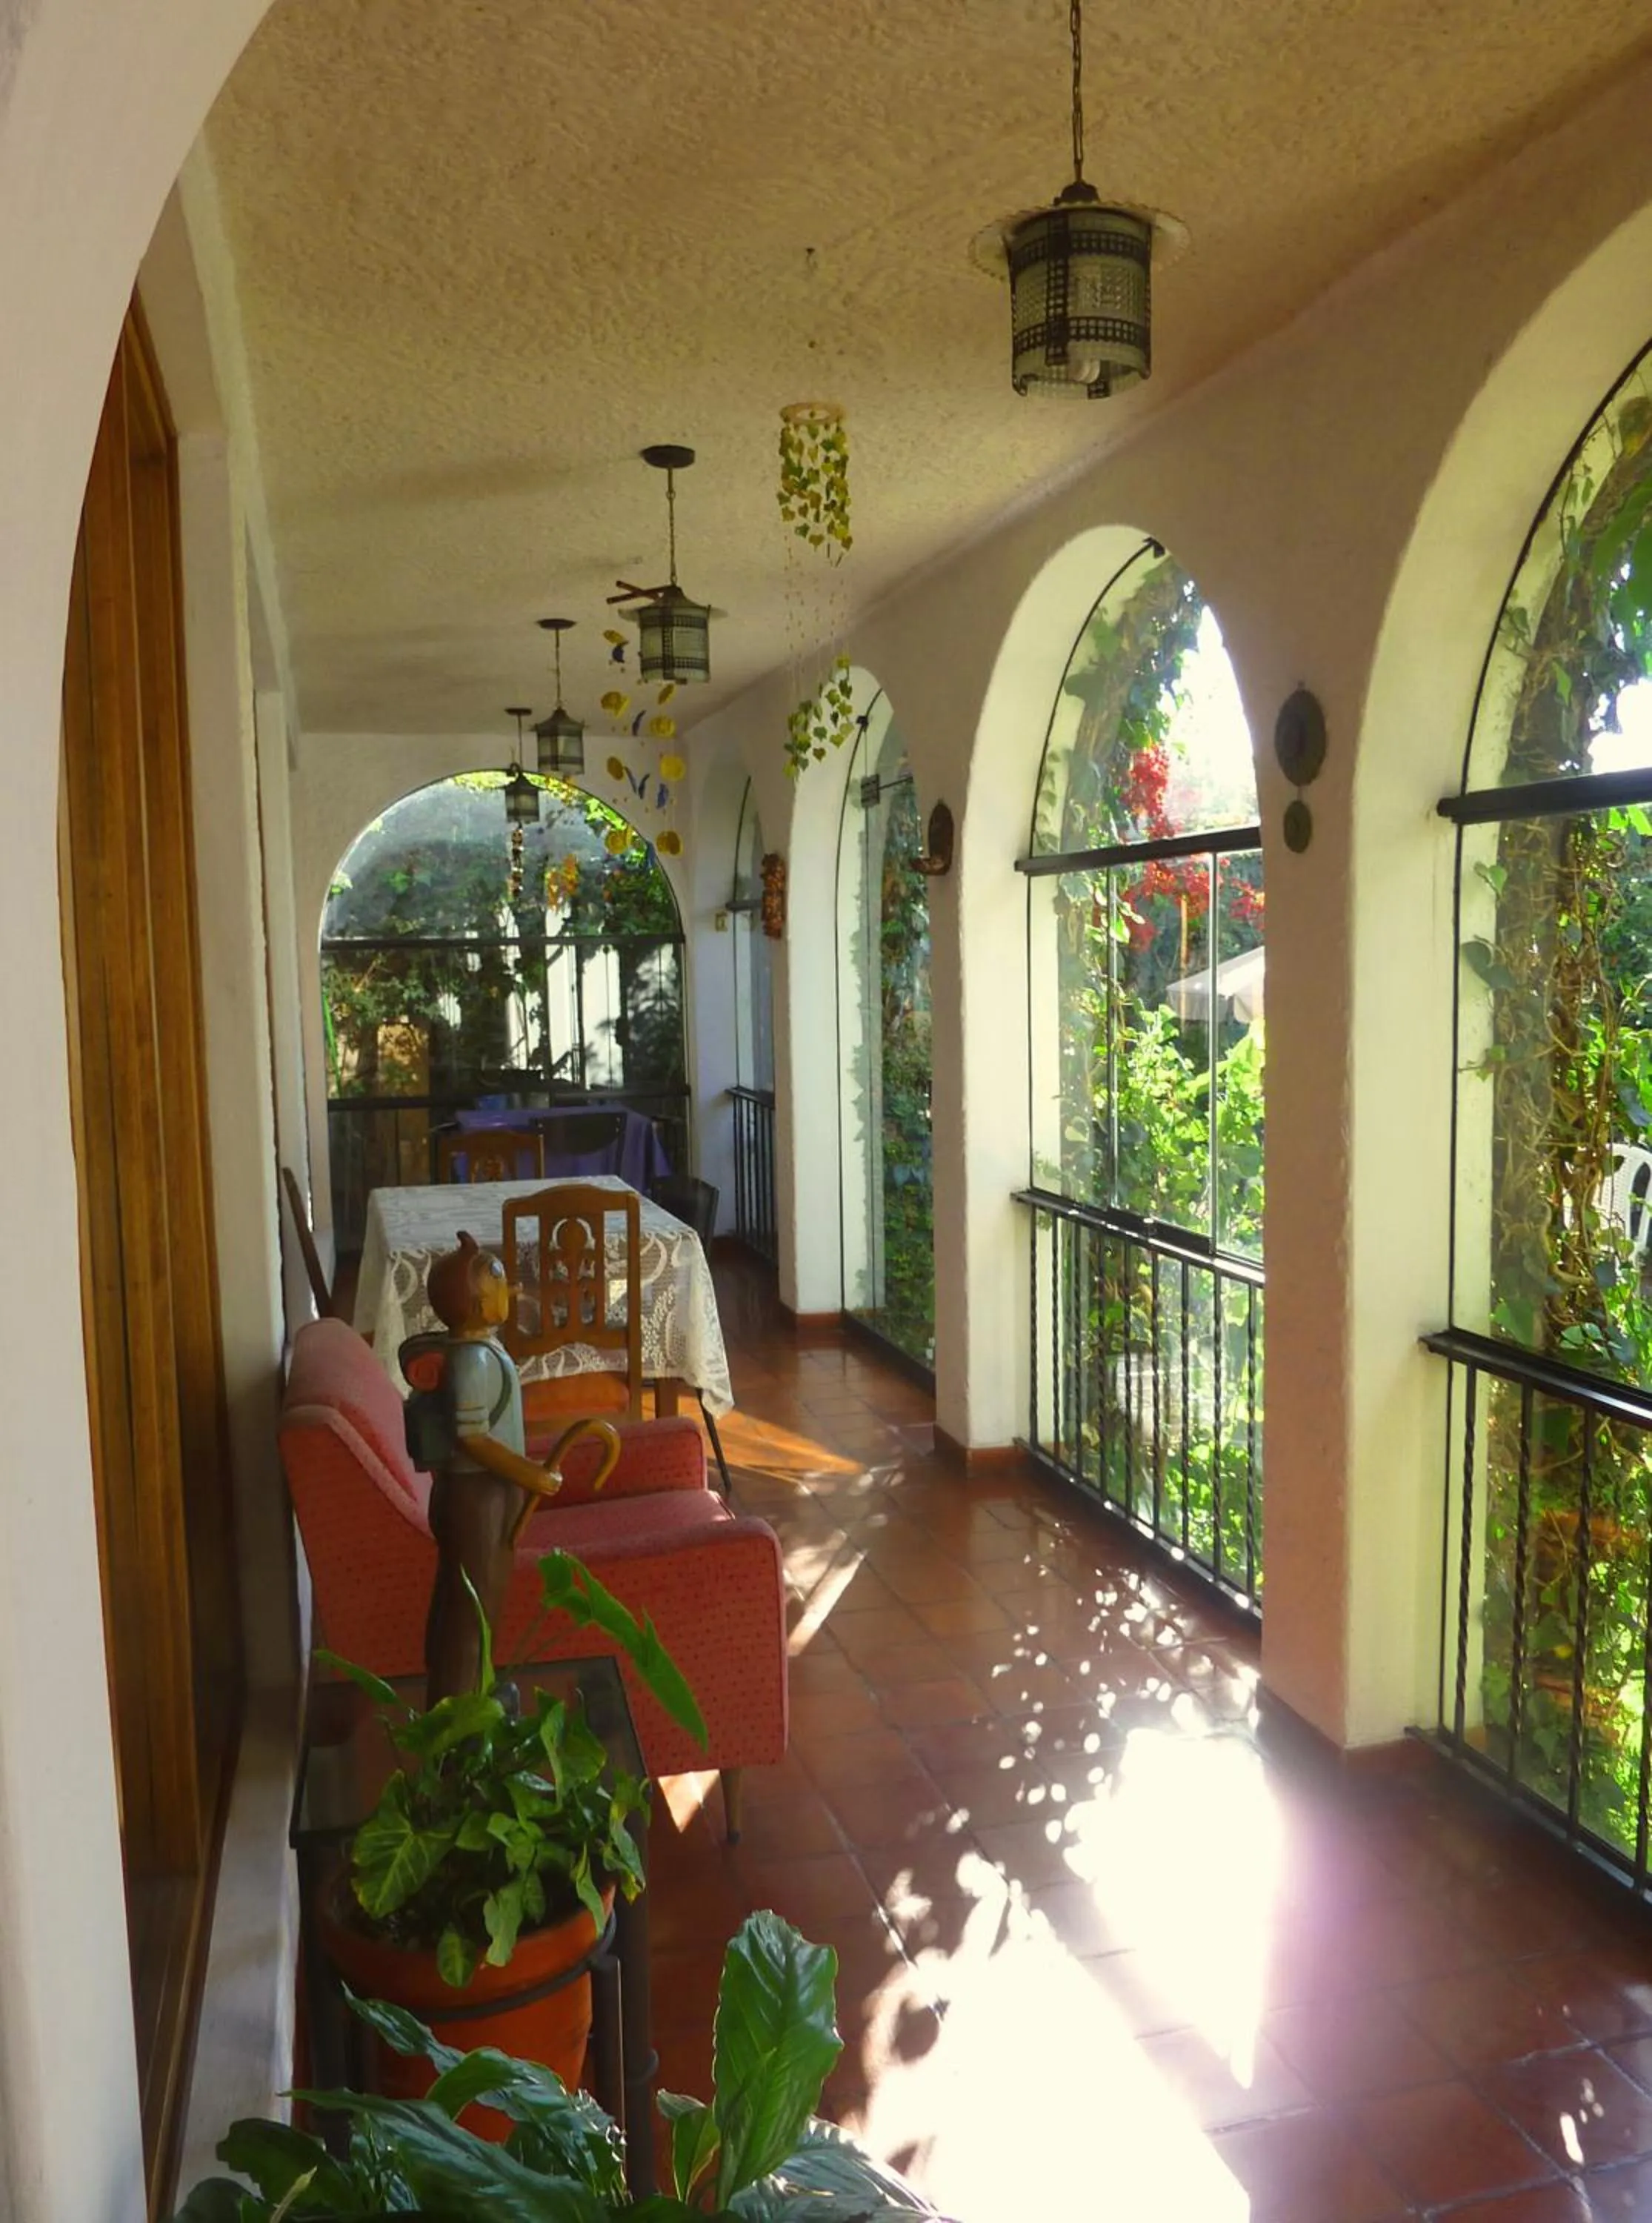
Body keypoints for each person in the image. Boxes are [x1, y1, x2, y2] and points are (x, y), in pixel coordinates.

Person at [401, 1231, 618, 1703]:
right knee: (472, 1607)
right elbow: (472, 1436)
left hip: (486, 1493)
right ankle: (462, 1715)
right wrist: (532, 1475)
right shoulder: (474, 1359)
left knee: (477, 1601)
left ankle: (475, 1691)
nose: (510, 1289)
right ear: (476, 1303)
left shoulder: (479, 1348)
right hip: (478, 1496)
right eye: (498, 1282)